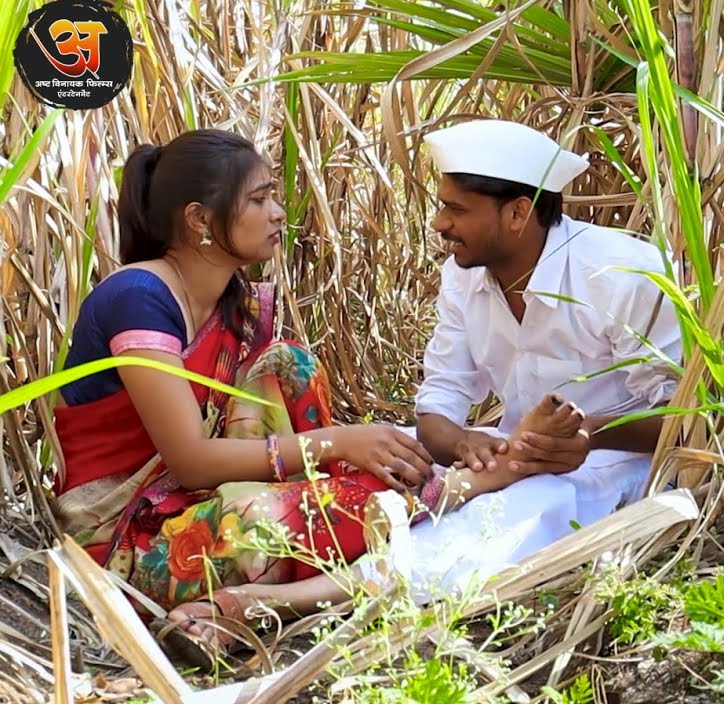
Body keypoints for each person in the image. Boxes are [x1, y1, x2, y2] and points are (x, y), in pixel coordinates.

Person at [52, 129, 572, 667]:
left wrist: (343, 448)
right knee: (329, 507)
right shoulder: (139, 298)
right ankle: (489, 475)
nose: (278, 213)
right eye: (258, 200)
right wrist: (339, 442)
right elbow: (188, 461)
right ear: (200, 220)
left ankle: (354, 517)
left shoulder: (237, 306)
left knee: (291, 369)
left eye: (274, 195)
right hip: (128, 539)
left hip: (203, 505)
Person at [374, 117, 684, 600]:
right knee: (382, 456)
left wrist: (587, 434)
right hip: (511, 452)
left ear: (518, 213)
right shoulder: (462, 277)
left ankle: (336, 589)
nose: (440, 225)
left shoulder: (621, 275)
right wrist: (461, 442)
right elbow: (442, 396)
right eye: (442, 207)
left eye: (455, 210)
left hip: (608, 464)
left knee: (499, 523)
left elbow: (684, 416)